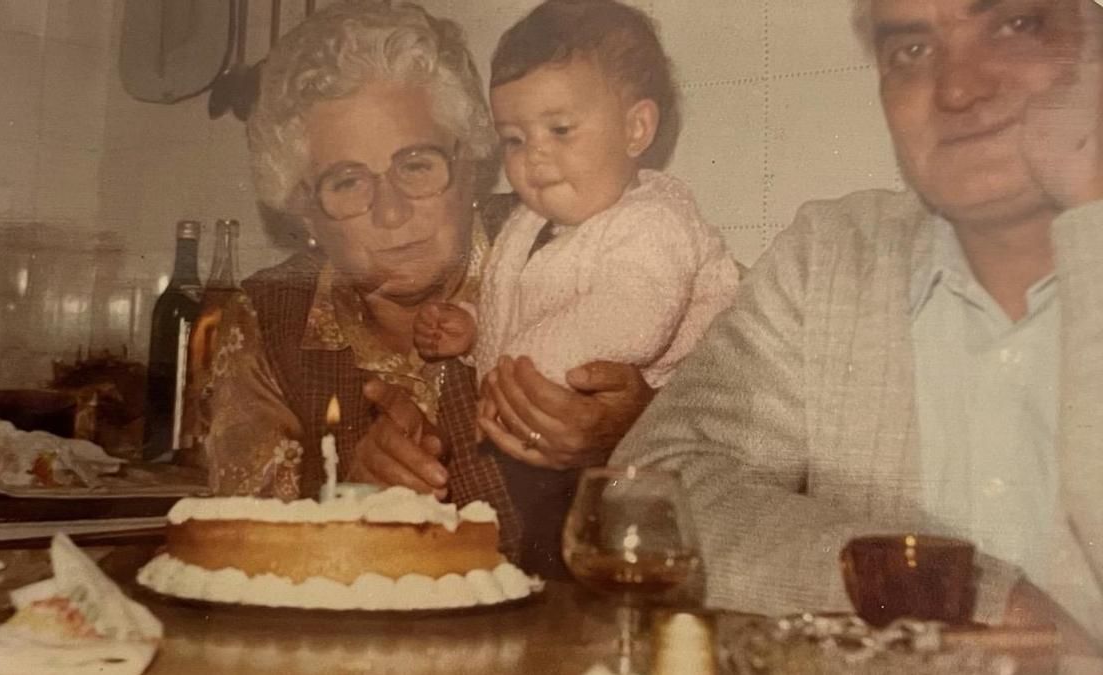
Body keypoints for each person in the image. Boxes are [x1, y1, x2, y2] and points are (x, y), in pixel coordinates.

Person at [613, 0, 1103, 653]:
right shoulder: (832, 258)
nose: (957, 88)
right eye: (911, 51)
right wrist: (950, 590)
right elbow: (652, 495)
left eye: (1014, 25)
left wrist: (1091, 216)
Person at [202, 0, 651, 559]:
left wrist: (638, 429)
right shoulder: (268, 320)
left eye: (416, 165)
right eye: (347, 183)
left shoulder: (582, 244)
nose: (391, 213)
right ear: (304, 211)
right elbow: (239, 555)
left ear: (471, 167)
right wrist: (351, 507)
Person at [411, 0, 738, 576]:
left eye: (560, 130)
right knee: (533, 560)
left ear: (636, 128)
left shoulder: (655, 221)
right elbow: (517, 304)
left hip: (660, 454)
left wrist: (512, 367)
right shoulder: (530, 227)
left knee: (597, 565)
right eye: (514, 139)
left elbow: (629, 321)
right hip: (550, 435)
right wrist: (471, 327)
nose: (535, 155)